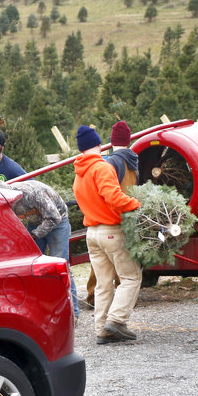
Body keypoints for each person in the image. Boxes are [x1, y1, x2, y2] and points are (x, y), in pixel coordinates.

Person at [72, 125, 142, 345]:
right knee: (131, 277)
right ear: (100, 145)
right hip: (111, 231)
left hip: (91, 233)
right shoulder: (101, 168)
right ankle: (116, 320)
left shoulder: (79, 173)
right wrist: (137, 204)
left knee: (103, 284)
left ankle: (102, 329)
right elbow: (113, 197)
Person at [0, 178, 79, 318]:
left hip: (57, 221)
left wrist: (35, 235)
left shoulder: (32, 194)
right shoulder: (1, 202)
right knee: (31, 266)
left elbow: (54, 218)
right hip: (35, 222)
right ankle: (41, 310)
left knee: (60, 265)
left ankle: (73, 313)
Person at [85, 120, 139, 307]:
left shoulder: (112, 162)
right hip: (128, 214)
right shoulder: (133, 159)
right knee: (124, 264)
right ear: (129, 139)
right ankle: (122, 300)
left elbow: (109, 193)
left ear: (111, 139)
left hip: (111, 217)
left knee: (101, 267)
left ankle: (93, 298)